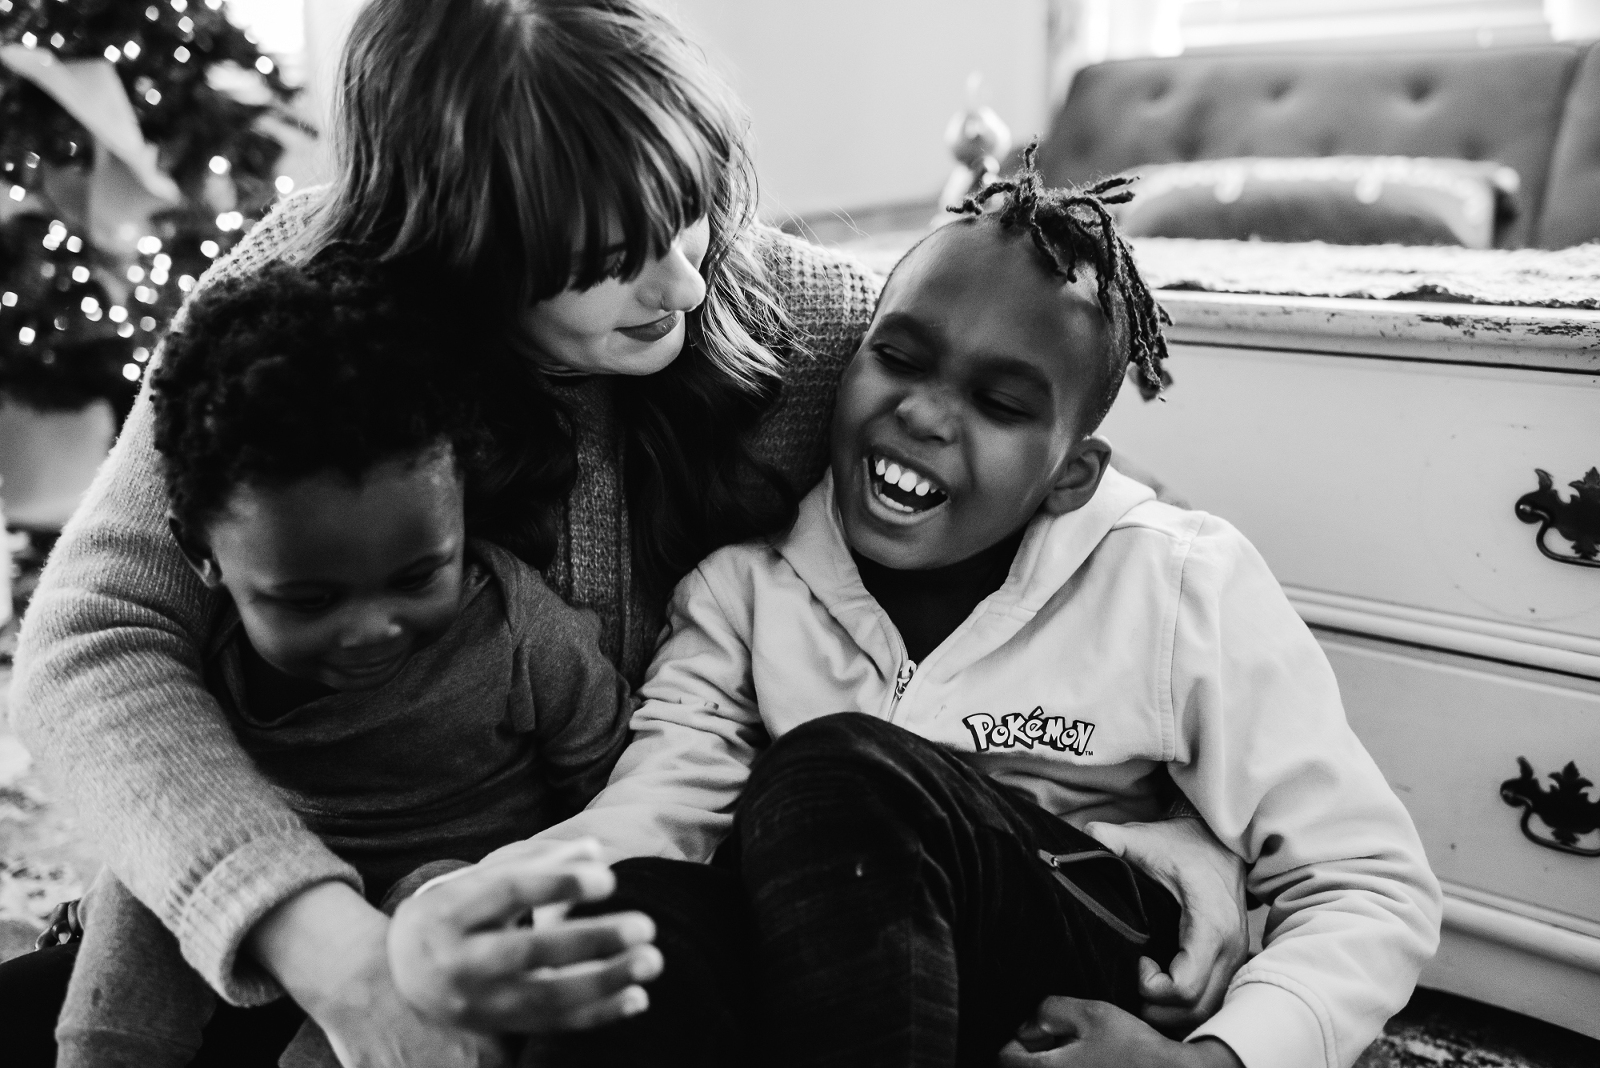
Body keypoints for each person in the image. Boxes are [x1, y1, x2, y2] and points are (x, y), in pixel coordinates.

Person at [4, 1, 1247, 1063]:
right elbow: (94, 637)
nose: (685, 283)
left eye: (689, 210)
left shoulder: (795, 314)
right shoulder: (306, 299)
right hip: (317, 864)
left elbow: (1092, 536)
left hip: (635, 909)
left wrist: (1159, 824)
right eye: (611, 259)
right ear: (454, 255)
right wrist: (332, 949)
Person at [447, 155, 1443, 1068]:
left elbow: (1365, 883)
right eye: (901, 357)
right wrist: (482, 906)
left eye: (1002, 405)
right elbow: (662, 802)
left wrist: (1214, 1062)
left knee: (838, 768)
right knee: (641, 919)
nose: (925, 414)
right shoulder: (743, 587)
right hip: (839, 966)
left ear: (1070, 475)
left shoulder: (1177, 581)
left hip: (1066, 970)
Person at [52, 253, 653, 1068]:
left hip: (445, 900)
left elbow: (615, 783)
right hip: (277, 900)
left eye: (416, 576)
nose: (371, 629)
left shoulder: (518, 630)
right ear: (202, 560)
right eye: (308, 601)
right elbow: (167, 791)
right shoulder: (200, 649)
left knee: (441, 896)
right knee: (137, 885)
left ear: (461, 512)